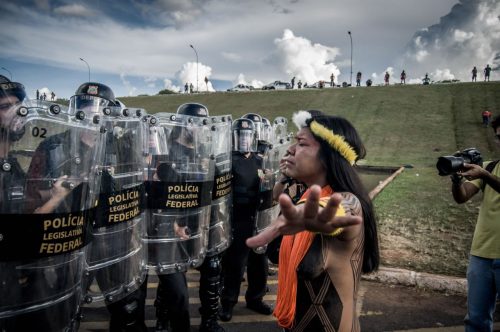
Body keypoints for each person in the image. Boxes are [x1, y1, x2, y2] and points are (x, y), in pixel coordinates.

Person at [246, 111, 379, 331]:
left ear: (328, 156)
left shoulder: (348, 202)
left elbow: (341, 207)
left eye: (301, 143)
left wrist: (315, 211)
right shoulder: (304, 197)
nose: (290, 149)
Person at [449, 115, 500, 332]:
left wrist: (485, 175)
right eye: (499, 137)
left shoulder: (487, 172)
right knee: (476, 320)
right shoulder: (491, 166)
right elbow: (462, 197)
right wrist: (456, 179)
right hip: (481, 255)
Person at [219, 117, 273, 322]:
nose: (244, 139)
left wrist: (268, 179)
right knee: (235, 264)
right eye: (241, 135)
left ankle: (256, 299)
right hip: (237, 220)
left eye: (248, 135)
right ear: (235, 138)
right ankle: (228, 302)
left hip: (258, 219)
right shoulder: (228, 160)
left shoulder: (261, 160)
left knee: (260, 263)